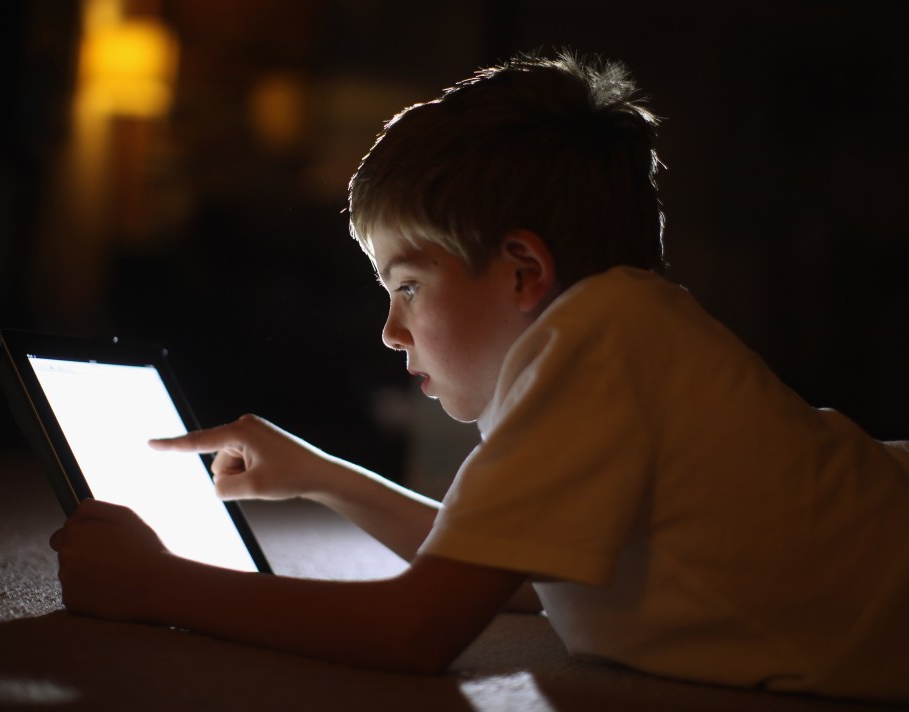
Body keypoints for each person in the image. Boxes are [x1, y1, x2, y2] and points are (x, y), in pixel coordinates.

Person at [49, 50, 909, 701]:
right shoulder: (620, 335)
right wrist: (323, 477)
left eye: (408, 287)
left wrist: (154, 585)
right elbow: (522, 579)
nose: (391, 332)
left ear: (523, 273)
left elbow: (418, 629)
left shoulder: (599, 339)